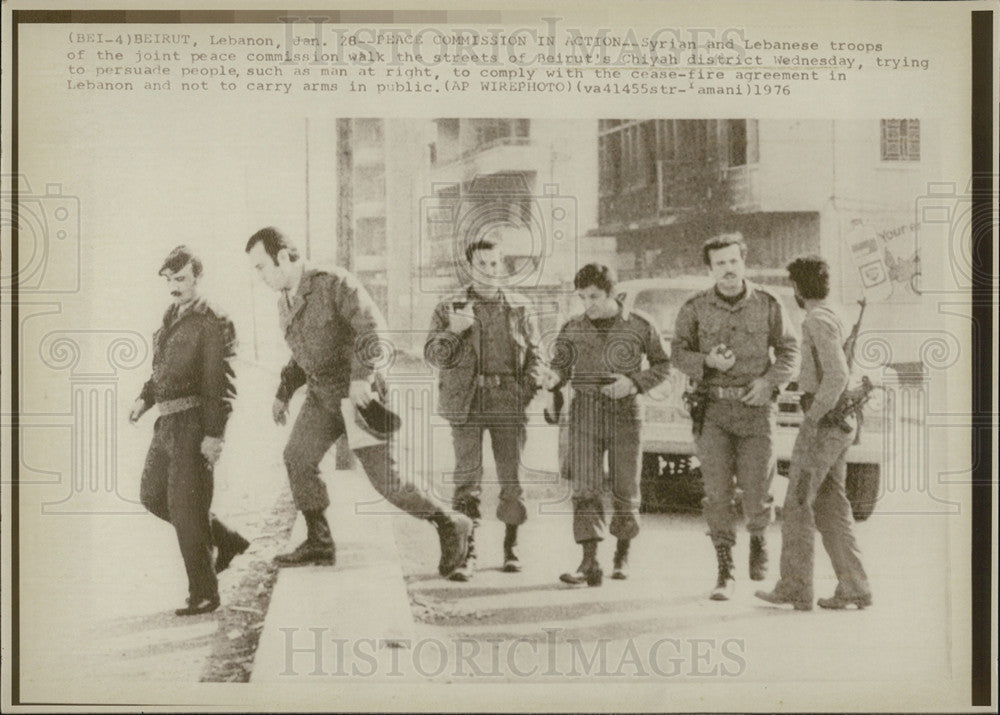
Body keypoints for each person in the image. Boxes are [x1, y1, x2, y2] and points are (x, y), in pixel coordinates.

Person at [244, 227, 471, 577]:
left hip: (357, 396)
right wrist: (283, 393)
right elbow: (301, 356)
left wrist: (362, 378)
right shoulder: (284, 301)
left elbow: (372, 330)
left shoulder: (334, 283)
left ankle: (450, 522)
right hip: (322, 396)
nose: (259, 277)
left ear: (286, 256)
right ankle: (319, 541)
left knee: (387, 480)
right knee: (297, 456)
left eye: (261, 267)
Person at [672, 233, 800, 601]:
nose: (727, 270)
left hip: (756, 410)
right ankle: (724, 568)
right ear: (710, 269)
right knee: (716, 492)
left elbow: (790, 351)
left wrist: (768, 383)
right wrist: (706, 362)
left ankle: (758, 538)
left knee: (758, 487)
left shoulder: (768, 303)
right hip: (712, 410)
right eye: (719, 264)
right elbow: (678, 352)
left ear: (743, 262)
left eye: (733, 261)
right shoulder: (694, 307)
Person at [130, 246, 249, 616]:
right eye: (168, 279)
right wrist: (144, 398)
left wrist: (214, 435)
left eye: (180, 278)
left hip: (193, 425)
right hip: (166, 423)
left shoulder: (213, 321)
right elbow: (162, 371)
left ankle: (205, 593)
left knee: (186, 509)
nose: (173, 286)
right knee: (152, 496)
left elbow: (220, 384)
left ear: (198, 276)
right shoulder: (172, 317)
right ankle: (227, 540)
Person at [539, 263, 670, 586]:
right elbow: (560, 368)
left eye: (594, 297)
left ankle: (622, 554)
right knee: (585, 487)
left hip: (625, 412)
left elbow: (664, 365)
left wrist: (634, 383)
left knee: (626, 487)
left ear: (611, 293)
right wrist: (552, 378)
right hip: (585, 412)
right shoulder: (572, 328)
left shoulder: (639, 325)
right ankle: (589, 561)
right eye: (582, 297)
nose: (588, 304)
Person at [755, 255, 872, 611]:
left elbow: (836, 375)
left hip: (824, 426)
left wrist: (813, 417)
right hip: (840, 425)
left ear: (797, 288)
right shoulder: (834, 313)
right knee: (831, 505)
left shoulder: (816, 320)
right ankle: (854, 586)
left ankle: (794, 586)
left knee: (797, 504)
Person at [425, 239, 546, 581]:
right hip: (467, 401)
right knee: (467, 479)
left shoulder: (520, 307)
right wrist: (453, 330)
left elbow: (537, 355)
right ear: (468, 266)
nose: (489, 271)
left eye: (495, 264)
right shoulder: (450, 307)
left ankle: (512, 547)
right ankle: (468, 552)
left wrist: (526, 390)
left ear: (502, 266)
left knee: (512, 477)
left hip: (509, 399)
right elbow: (433, 355)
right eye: (482, 264)